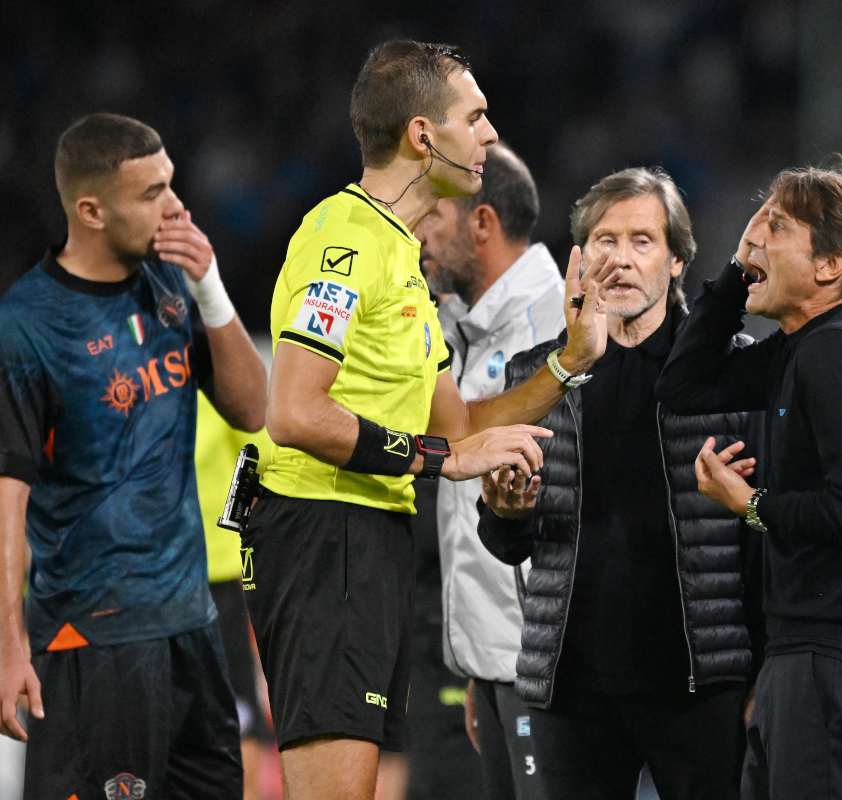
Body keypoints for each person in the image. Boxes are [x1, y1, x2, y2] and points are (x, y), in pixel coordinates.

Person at [245, 40, 619, 800]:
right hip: (323, 536)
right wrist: (433, 461)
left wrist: (567, 362)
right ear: (423, 135)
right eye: (475, 117)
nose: (489, 135)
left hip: (373, 540)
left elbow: (462, 429)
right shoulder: (343, 240)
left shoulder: (403, 260)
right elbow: (294, 412)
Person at [0, 113, 267, 798]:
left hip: (193, 626)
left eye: (171, 183)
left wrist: (209, 288)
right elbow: (9, 494)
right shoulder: (27, 328)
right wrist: (7, 645)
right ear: (90, 210)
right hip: (93, 637)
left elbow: (253, 408)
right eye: (150, 193)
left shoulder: (171, 288)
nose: (175, 205)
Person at [477, 167, 760, 800]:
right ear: (579, 260)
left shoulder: (734, 371)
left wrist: (762, 674)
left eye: (642, 241)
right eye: (605, 240)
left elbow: (761, 539)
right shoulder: (536, 376)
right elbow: (504, 542)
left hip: (702, 688)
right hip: (571, 691)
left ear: (678, 261)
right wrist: (506, 511)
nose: (621, 259)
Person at [655, 165, 842, 799]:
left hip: (840, 662)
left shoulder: (841, 351)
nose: (754, 238)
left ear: (830, 264)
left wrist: (749, 504)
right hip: (828, 659)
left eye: (775, 227)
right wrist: (734, 273)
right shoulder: (816, 343)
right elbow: (684, 387)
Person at [413, 141, 560, 800]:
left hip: (544, 666)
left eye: (434, 218)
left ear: (483, 224)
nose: (421, 235)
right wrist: (477, 662)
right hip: (494, 662)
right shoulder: (465, 326)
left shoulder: (558, 324)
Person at [195, 390, 275, 799]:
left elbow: (260, 458)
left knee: (236, 707)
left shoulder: (216, 388)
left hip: (219, 577)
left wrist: (235, 522)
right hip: (156, 578)